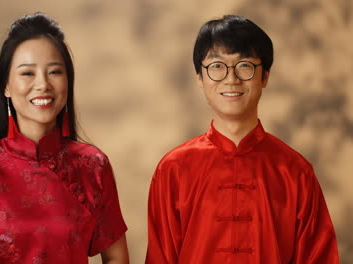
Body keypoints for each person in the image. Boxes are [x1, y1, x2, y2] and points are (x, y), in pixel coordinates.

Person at [0, 12, 129, 264]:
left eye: (55, 72)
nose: (43, 85)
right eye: (28, 73)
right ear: (6, 85)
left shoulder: (93, 165)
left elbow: (116, 258)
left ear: (68, 82)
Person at [145, 15, 339, 263]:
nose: (231, 78)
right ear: (200, 79)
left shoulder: (295, 171)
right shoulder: (173, 169)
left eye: (245, 65)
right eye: (217, 66)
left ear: (265, 76)